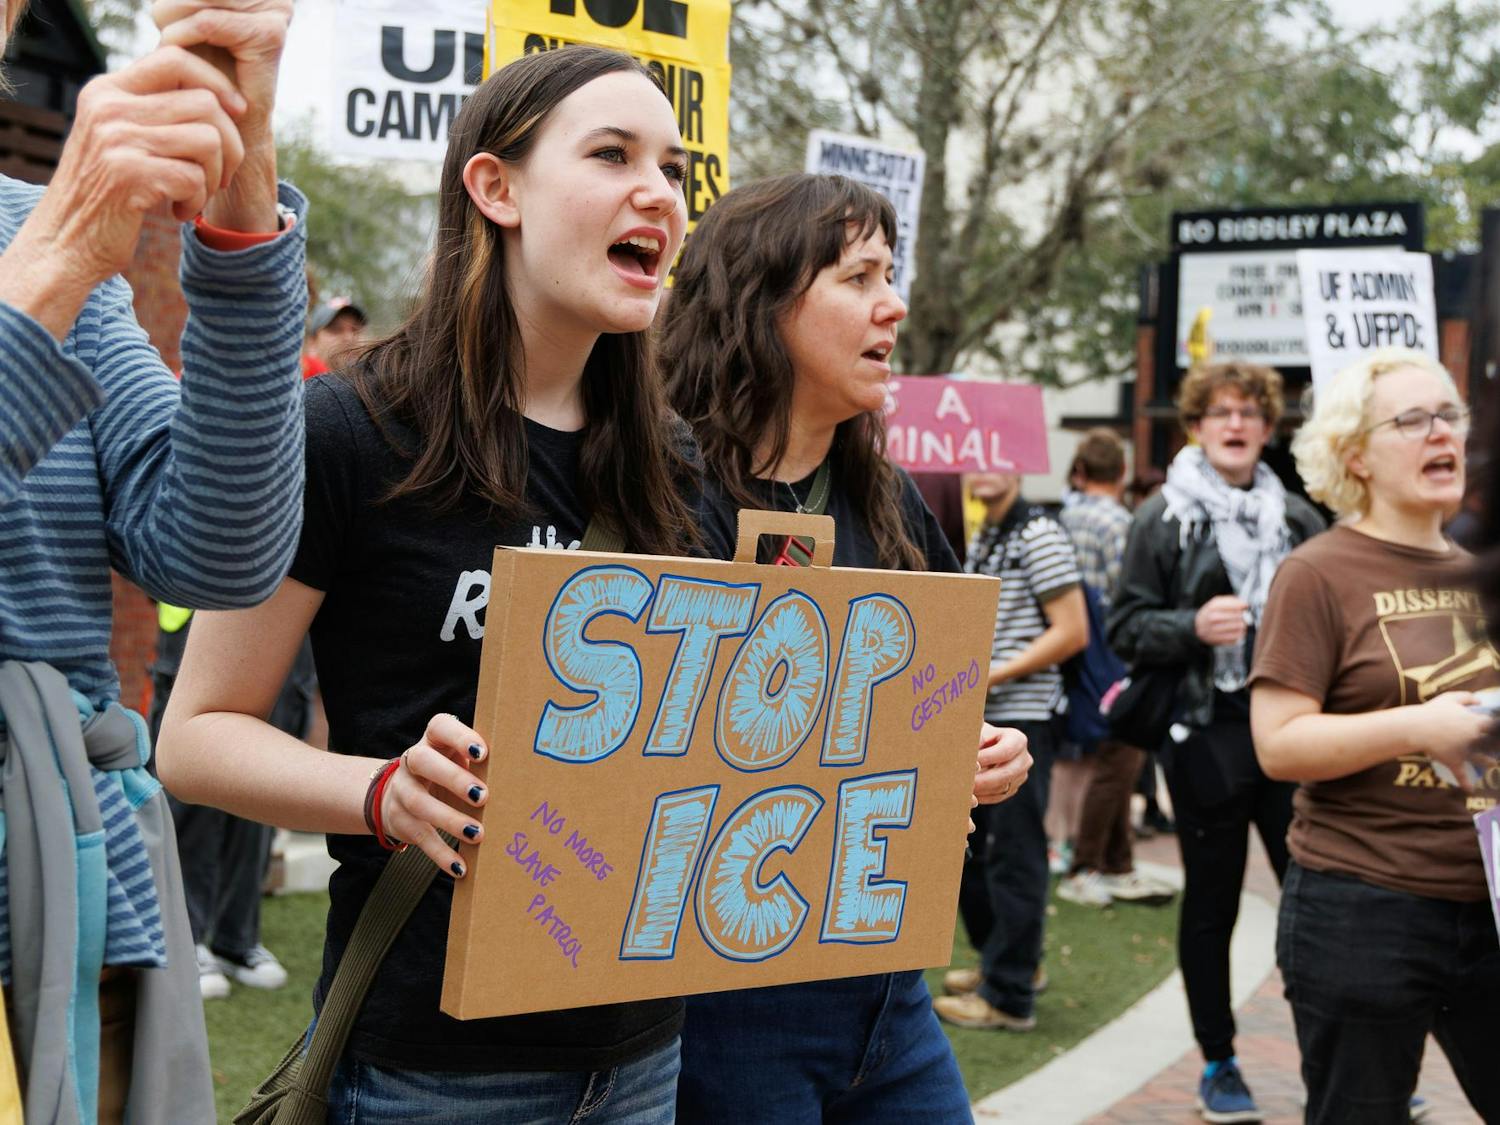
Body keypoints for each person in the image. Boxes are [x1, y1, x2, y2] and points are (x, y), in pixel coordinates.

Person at [158, 46, 723, 1123]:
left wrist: (907, 755)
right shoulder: (348, 432)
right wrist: (381, 793)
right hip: (431, 1071)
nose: (660, 191)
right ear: (494, 188)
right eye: (612, 153)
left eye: (673, 166)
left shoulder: (673, 462)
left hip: (647, 1050)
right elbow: (195, 736)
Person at [662, 172, 1034, 1122]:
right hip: (720, 1007)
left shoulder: (894, 500)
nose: (894, 304)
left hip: (886, 993)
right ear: (761, 302)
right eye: (860, 276)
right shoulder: (656, 494)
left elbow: (939, 702)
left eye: (891, 274)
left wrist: (977, 751)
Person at [0, 0, 303, 1120]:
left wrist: (240, 206)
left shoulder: (33, 224)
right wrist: (56, 264)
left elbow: (221, 552)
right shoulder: (55, 240)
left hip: (76, 915)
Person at [1251, 348, 1499, 1124]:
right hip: (1362, 907)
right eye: (1413, 419)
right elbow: (1279, 743)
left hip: (1487, 904)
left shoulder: (1481, 571)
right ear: (1354, 454)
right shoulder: (1317, 572)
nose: (1442, 434)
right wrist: (1421, 726)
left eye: (1450, 416)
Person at [1108, 361, 1324, 1124]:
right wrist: (1190, 627)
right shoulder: (1161, 517)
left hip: (1288, 730)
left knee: (1315, 901)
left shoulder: (1299, 519)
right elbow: (1124, 628)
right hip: (1205, 731)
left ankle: (1338, 1061)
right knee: (1212, 904)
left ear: (1269, 426)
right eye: (1220, 411)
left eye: (1250, 412)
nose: (1235, 424)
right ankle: (1220, 1060)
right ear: (1196, 424)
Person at [935, 473, 1088, 1031]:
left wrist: (991, 674)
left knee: (1015, 854)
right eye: (974, 456)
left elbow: (1072, 631)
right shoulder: (989, 532)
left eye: (999, 456)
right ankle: (1006, 965)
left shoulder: (1038, 532)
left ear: (1022, 465)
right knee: (983, 850)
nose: (984, 469)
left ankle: (1010, 994)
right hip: (992, 710)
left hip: (1026, 713)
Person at [148, 605, 315, 998]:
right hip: (201, 611)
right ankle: (183, 938)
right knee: (193, 792)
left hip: (284, 621)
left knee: (263, 789)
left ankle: (235, 940)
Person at [1057, 429, 1175, 908]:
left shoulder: (1062, 519)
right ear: (1122, 473)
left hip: (1072, 653)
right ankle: (1087, 864)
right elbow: (1128, 598)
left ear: (1080, 472)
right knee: (1120, 760)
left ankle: (1116, 862)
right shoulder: (1124, 524)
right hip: (1117, 656)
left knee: (1109, 760)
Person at [302, 295, 368, 377]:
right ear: (312, 342)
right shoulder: (296, 382)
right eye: (336, 329)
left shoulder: (377, 382)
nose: (349, 338)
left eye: (356, 330)